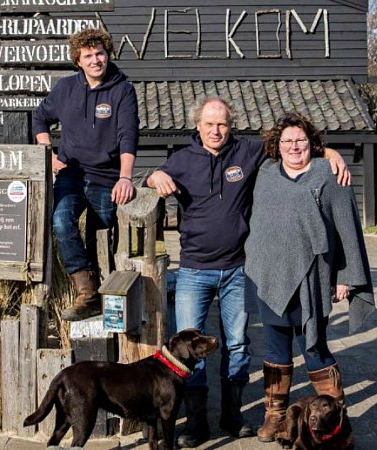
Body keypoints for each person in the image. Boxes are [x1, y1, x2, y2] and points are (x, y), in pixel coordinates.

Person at [145, 97, 350, 447]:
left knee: (238, 344)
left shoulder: (247, 152)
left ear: (231, 125)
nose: (216, 130)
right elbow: (145, 177)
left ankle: (232, 416)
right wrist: (155, 175)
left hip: (238, 269)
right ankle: (196, 423)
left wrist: (329, 154)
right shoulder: (181, 160)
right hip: (194, 269)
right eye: (209, 124)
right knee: (186, 351)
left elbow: (291, 146)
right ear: (198, 126)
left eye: (222, 124)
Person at [244, 112, 375, 443]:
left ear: (312, 143)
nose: (293, 147)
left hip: (312, 281)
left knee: (315, 350)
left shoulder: (328, 174)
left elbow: (347, 229)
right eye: (286, 141)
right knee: (275, 353)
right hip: (270, 277)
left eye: (300, 140)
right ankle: (275, 418)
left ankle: (337, 416)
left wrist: (345, 276)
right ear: (276, 145)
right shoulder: (266, 174)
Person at [32, 29, 139, 321]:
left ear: (108, 54)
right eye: (88, 56)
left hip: (107, 177)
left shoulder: (122, 90)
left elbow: (128, 136)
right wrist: (48, 154)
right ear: (78, 60)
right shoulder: (66, 89)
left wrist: (125, 177)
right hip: (71, 174)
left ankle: (106, 297)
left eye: (100, 53)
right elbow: (40, 117)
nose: (95, 60)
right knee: (61, 221)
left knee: (101, 237)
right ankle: (87, 291)